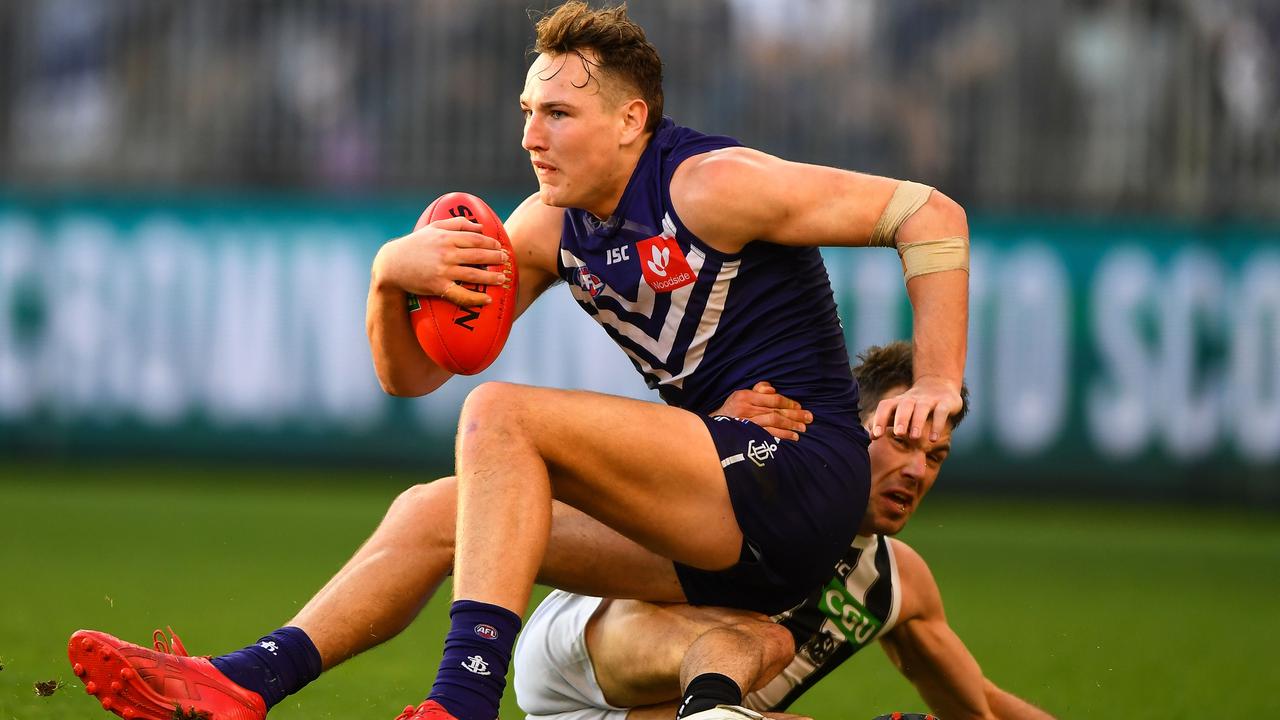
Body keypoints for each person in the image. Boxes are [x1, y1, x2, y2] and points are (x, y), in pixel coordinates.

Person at [66, 4, 969, 720]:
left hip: (801, 483)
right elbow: (412, 378)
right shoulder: (544, 228)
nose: (532, 135)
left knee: (503, 416)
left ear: (631, 120)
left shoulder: (711, 185)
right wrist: (389, 280)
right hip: (718, 520)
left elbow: (930, 215)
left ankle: (461, 702)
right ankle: (242, 683)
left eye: (559, 114)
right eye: (527, 112)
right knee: (437, 510)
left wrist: (935, 382)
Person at [514, 343, 1056, 720]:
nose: (918, 470)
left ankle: (711, 709)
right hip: (587, 649)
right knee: (756, 641)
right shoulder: (770, 468)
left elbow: (977, 706)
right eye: (903, 439)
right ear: (854, 426)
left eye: (935, 455)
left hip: (655, 707)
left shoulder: (894, 583)